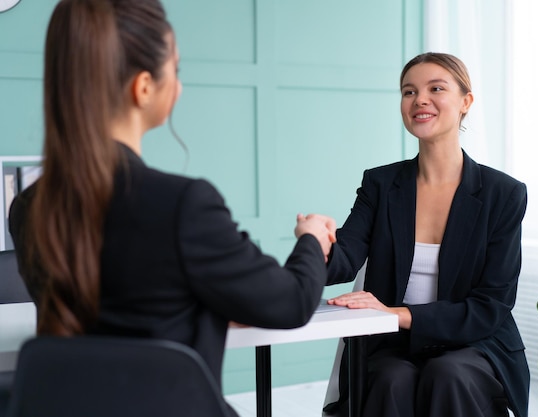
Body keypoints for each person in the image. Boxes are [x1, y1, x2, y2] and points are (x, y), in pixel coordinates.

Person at [8, 0, 335, 415]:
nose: (178, 86)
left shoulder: (28, 208)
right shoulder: (184, 205)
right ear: (143, 87)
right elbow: (290, 302)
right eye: (175, 70)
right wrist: (310, 240)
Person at [319, 52, 529, 417]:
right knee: (391, 379)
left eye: (436, 88)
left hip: (476, 342)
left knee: (448, 373)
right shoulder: (380, 184)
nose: (420, 100)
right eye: (409, 92)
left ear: (466, 101)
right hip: (392, 345)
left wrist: (398, 313)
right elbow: (346, 255)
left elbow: (491, 305)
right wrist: (316, 244)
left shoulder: (503, 193)